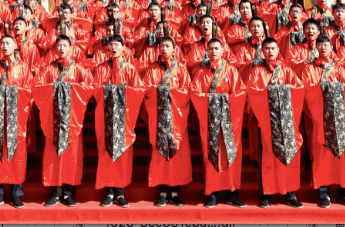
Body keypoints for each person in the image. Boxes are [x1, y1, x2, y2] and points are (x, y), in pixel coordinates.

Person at [33, 35, 93, 207]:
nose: (61, 48)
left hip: (72, 120)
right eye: (58, 45)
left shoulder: (79, 69)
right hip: (54, 120)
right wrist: (56, 90)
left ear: (71, 48)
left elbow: (89, 88)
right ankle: (54, 191)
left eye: (64, 45)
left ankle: (68, 191)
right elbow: (37, 87)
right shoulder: (47, 69)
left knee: (71, 156)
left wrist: (71, 90)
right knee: (53, 156)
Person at [299, 35, 345, 208]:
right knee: (321, 153)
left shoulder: (338, 67)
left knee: (342, 155)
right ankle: (323, 190)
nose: (323, 47)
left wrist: (334, 88)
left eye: (326, 44)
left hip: (338, 118)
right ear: (316, 47)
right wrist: (327, 87)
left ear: (332, 47)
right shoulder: (309, 68)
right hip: (321, 117)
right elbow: (307, 88)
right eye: (320, 45)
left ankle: (344, 189)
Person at [246, 37, 304, 209]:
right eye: (267, 49)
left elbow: (299, 88)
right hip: (267, 120)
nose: (270, 51)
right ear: (262, 51)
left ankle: (290, 192)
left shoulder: (286, 70)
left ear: (278, 50)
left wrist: (280, 91)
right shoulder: (257, 71)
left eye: (273, 48)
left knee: (290, 153)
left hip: (286, 120)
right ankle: (267, 192)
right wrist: (273, 94)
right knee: (268, 157)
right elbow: (253, 91)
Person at [190, 38, 247, 208]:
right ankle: (211, 193)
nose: (214, 51)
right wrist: (214, 101)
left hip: (229, 122)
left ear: (223, 51)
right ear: (207, 51)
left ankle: (232, 192)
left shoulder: (231, 70)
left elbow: (240, 93)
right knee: (211, 155)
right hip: (209, 120)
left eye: (217, 48)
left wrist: (220, 101)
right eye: (211, 49)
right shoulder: (201, 72)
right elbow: (194, 93)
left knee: (231, 155)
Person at [92, 34, 144, 208]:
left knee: (123, 154)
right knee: (106, 152)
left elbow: (138, 91)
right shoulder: (101, 68)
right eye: (111, 44)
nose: (114, 47)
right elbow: (95, 89)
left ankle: (120, 192)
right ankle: (108, 191)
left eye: (117, 44)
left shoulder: (130, 69)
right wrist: (111, 91)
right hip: (106, 117)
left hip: (124, 116)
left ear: (124, 48)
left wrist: (121, 92)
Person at [140, 36, 191, 206]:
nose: (164, 48)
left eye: (168, 45)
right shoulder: (152, 69)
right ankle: (162, 191)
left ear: (174, 48)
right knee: (160, 155)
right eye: (161, 46)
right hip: (159, 119)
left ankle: (175, 191)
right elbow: (146, 91)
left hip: (177, 119)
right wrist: (163, 92)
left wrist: (169, 93)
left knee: (178, 155)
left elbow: (186, 92)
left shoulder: (181, 69)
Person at [0, 34, 33, 208]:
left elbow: (29, 91)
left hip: (16, 118)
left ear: (15, 46)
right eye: (2, 43)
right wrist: (2, 92)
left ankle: (16, 192)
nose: (4, 46)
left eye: (8, 43)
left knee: (17, 154)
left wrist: (11, 93)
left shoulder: (23, 67)